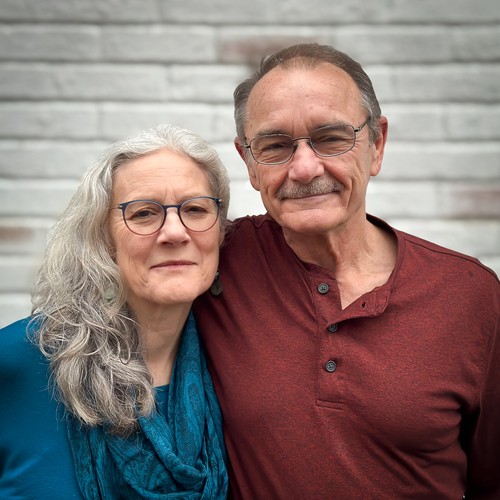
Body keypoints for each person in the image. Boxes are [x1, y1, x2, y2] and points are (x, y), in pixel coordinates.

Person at [194, 43, 500, 499]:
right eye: (274, 146)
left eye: (331, 138)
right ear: (249, 163)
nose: (303, 168)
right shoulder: (211, 265)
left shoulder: (470, 295)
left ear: (376, 145)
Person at [0, 124, 229, 498]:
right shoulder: (18, 360)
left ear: (219, 232)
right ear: (104, 239)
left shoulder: (235, 369)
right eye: (143, 213)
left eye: (195, 209)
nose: (175, 232)